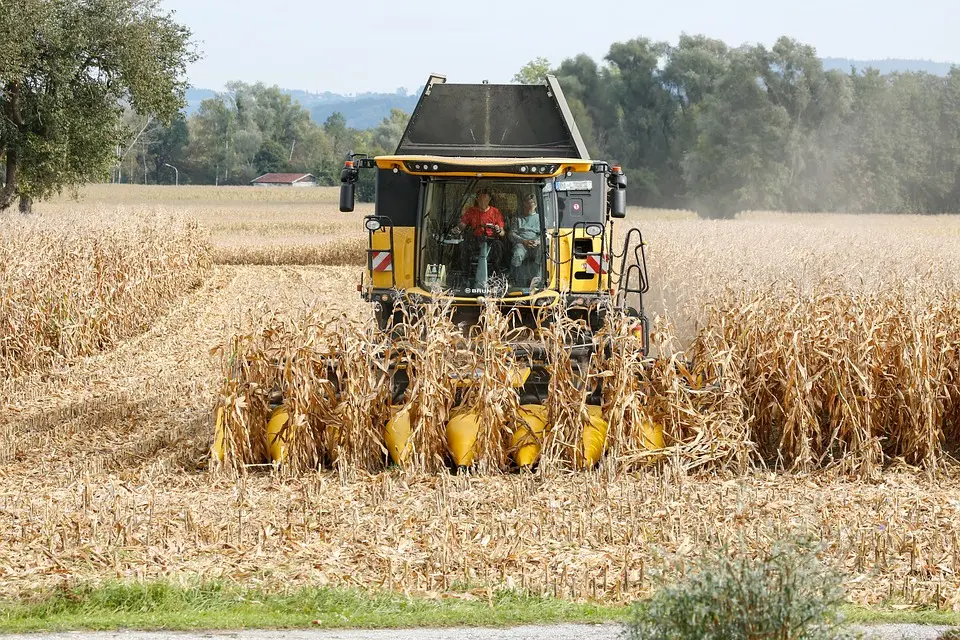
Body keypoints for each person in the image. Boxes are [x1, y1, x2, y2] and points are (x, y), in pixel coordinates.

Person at [456, 187, 505, 283]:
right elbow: (462, 225)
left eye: (485, 200)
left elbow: (502, 233)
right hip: (475, 240)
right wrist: (458, 226)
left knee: (499, 246)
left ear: (489, 199)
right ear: (477, 199)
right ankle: (465, 275)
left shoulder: (495, 212)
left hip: (492, 241)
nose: (483, 202)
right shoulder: (471, 211)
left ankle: (496, 274)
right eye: (481, 199)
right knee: (463, 246)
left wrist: (498, 230)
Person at [508, 193, 541, 273]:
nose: (529, 205)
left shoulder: (541, 219)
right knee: (518, 254)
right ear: (523, 204)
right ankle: (513, 277)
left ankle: (537, 276)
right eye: (527, 203)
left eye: (531, 203)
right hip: (521, 244)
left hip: (536, 245)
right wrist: (523, 241)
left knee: (542, 253)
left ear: (535, 205)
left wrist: (538, 242)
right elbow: (511, 234)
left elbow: (547, 235)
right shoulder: (517, 219)